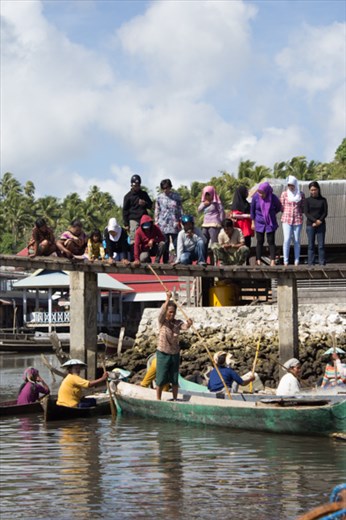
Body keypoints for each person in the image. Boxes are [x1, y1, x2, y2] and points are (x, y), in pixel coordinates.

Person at [156, 291, 193, 400]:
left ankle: (175, 398)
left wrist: (189, 324)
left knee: (174, 378)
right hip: (163, 353)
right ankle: (158, 399)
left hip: (174, 354)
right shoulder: (162, 321)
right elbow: (162, 312)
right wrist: (167, 299)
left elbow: (185, 326)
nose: (172, 314)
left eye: (174, 312)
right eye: (170, 312)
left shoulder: (177, 323)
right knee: (161, 378)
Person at [250, 181, 282, 266]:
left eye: (262, 193)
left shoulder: (273, 198)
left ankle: (272, 260)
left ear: (267, 191)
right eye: (259, 192)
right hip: (259, 222)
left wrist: (271, 213)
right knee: (260, 241)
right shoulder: (255, 197)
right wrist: (253, 223)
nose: (260, 194)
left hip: (270, 222)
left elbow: (279, 207)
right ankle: (258, 259)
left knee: (271, 241)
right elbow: (252, 210)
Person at [154, 179, 182, 263]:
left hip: (174, 223)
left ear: (170, 187)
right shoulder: (159, 197)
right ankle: (165, 260)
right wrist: (156, 222)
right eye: (164, 188)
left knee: (176, 242)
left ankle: (178, 259)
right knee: (165, 243)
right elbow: (157, 210)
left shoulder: (176, 197)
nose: (166, 190)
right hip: (163, 224)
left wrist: (180, 220)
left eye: (167, 187)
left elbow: (180, 209)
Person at [280, 176, 305, 266]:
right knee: (286, 239)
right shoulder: (284, 194)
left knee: (297, 240)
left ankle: (296, 260)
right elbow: (282, 207)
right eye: (289, 185)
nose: (291, 187)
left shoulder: (301, 194)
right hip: (286, 219)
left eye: (292, 185)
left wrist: (297, 212)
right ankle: (285, 261)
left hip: (298, 219)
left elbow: (302, 207)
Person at [122, 174, 153, 246]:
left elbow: (150, 205)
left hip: (143, 219)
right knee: (134, 239)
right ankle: (134, 254)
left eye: (138, 185)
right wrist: (126, 224)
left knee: (146, 237)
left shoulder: (144, 194)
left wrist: (145, 203)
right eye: (135, 185)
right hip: (133, 219)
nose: (137, 187)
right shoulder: (127, 196)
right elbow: (125, 210)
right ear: (132, 185)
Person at [304, 181, 328, 266]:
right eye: (311, 190)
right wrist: (314, 221)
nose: (313, 191)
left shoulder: (323, 200)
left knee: (321, 245)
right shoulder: (307, 200)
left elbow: (325, 213)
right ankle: (311, 263)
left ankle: (322, 262)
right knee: (311, 245)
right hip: (310, 225)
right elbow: (306, 213)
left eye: (315, 190)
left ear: (318, 189)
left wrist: (318, 222)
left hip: (321, 225)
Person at [198, 186, 224, 261]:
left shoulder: (217, 202)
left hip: (214, 224)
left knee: (214, 244)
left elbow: (221, 212)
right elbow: (199, 210)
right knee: (203, 242)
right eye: (206, 195)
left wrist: (221, 223)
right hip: (205, 224)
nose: (207, 196)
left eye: (208, 194)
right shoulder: (204, 202)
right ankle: (203, 260)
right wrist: (204, 204)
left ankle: (215, 260)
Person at [230, 185, 253, 252]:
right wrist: (247, 216)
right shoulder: (236, 203)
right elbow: (234, 214)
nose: (247, 193)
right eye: (246, 192)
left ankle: (247, 260)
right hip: (239, 226)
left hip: (247, 226)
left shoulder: (246, 203)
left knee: (247, 244)